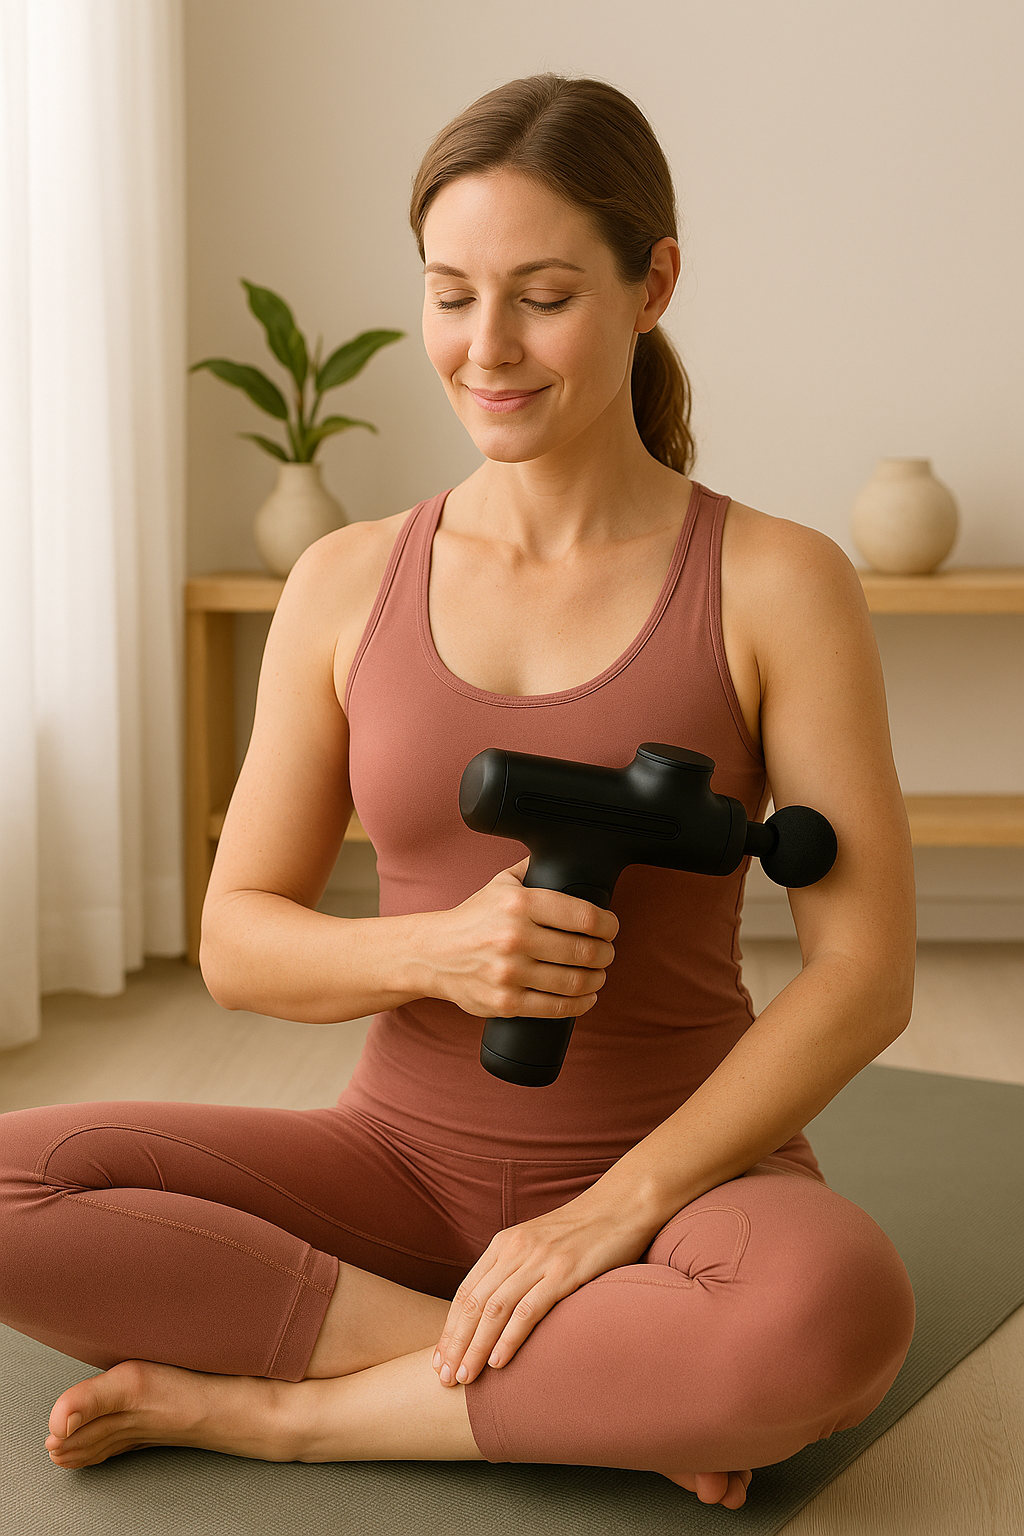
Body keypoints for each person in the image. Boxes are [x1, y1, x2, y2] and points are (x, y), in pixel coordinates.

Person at [0, 74, 915, 1510]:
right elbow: (237, 937)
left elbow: (862, 976)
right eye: (449, 294)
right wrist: (435, 949)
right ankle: (583, 1382)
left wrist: (608, 1218)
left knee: (835, 1312)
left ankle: (292, 1415)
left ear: (652, 281)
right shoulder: (346, 583)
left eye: (543, 296)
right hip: (391, 1176)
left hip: (682, 1200)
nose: (485, 348)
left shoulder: (779, 581)